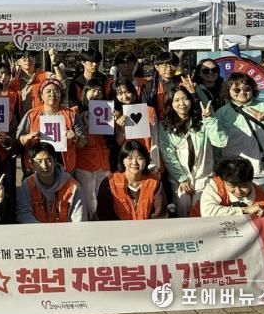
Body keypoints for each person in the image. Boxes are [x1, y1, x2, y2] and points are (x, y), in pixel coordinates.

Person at [199, 157, 264, 303]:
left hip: (246, 246)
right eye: (232, 186)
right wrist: (245, 210)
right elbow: (208, 212)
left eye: (243, 186)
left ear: (251, 181)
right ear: (223, 180)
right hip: (211, 240)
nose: (238, 191)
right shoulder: (215, 186)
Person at [215, 72, 264, 193]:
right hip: (233, 172)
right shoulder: (222, 113)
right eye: (236, 89)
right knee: (235, 205)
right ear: (228, 91)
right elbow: (215, 144)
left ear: (252, 88)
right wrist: (217, 167)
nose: (242, 92)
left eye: (246, 88)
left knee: (262, 204)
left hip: (261, 171)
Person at [158, 86, 227, 217]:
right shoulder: (165, 126)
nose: (182, 103)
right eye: (176, 100)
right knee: (183, 205)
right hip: (180, 178)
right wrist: (182, 178)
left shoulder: (202, 121)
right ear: (170, 103)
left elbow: (220, 142)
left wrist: (209, 120)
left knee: (201, 209)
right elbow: (168, 154)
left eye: (185, 99)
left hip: (204, 176)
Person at [16, 78, 85, 177]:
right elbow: (18, 140)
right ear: (41, 96)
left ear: (61, 95)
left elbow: (83, 142)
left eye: (56, 91)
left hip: (65, 167)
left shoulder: (71, 115)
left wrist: (75, 138)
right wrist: (28, 136)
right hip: (37, 166)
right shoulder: (31, 114)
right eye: (48, 91)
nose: (52, 94)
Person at [16, 142, 86, 223]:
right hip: (36, 230)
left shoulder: (73, 187)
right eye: (39, 161)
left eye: (48, 160)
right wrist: (41, 229)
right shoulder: (27, 185)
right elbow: (23, 214)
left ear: (55, 160)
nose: (44, 166)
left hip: (66, 230)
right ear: (31, 164)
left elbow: (79, 218)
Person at [96, 141, 167, 220]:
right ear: (122, 160)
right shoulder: (109, 183)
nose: (134, 162)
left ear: (146, 160)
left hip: (148, 227)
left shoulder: (154, 182)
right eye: (130, 158)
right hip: (118, 227)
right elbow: (104, 215)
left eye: (139, 158)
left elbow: (160, 215)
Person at [75, 79, 112, 219]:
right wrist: (83, 124)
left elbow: (112, 139)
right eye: (93, 90)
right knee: (88, 202)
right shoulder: (75, 111)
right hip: (85, 163)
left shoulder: (107, 110)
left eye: (100, 91)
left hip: (104, 162)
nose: (97, 94)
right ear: (85, 92)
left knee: (102, 199)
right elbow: (76, 139)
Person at [111, 77, 160, 168]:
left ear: (133, 92)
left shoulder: (149, 111)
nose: (124, 97)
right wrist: (121, 129)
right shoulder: (116, 114)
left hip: (146, 157)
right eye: (120, 93)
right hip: (127, 160)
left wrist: (155, 162)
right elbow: (118, 143)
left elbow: (155, 138)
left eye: (127, 92)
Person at [9, 49, 65, 114]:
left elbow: (62, 84)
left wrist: (55, 64)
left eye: (31, 56)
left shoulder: (45, 76)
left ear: (35, 59)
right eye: (23, 57)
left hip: (42, 118)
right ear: (18, 61)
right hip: (21, 119)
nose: (27, 59)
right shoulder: (14, 81)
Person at [141, 51, 182, 118]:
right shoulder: (149, 86)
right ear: (157, 67)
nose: (169, 69)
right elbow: (143, 107)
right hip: (155, 121)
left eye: (173, 65)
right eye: (165, 65)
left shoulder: (182, 84)